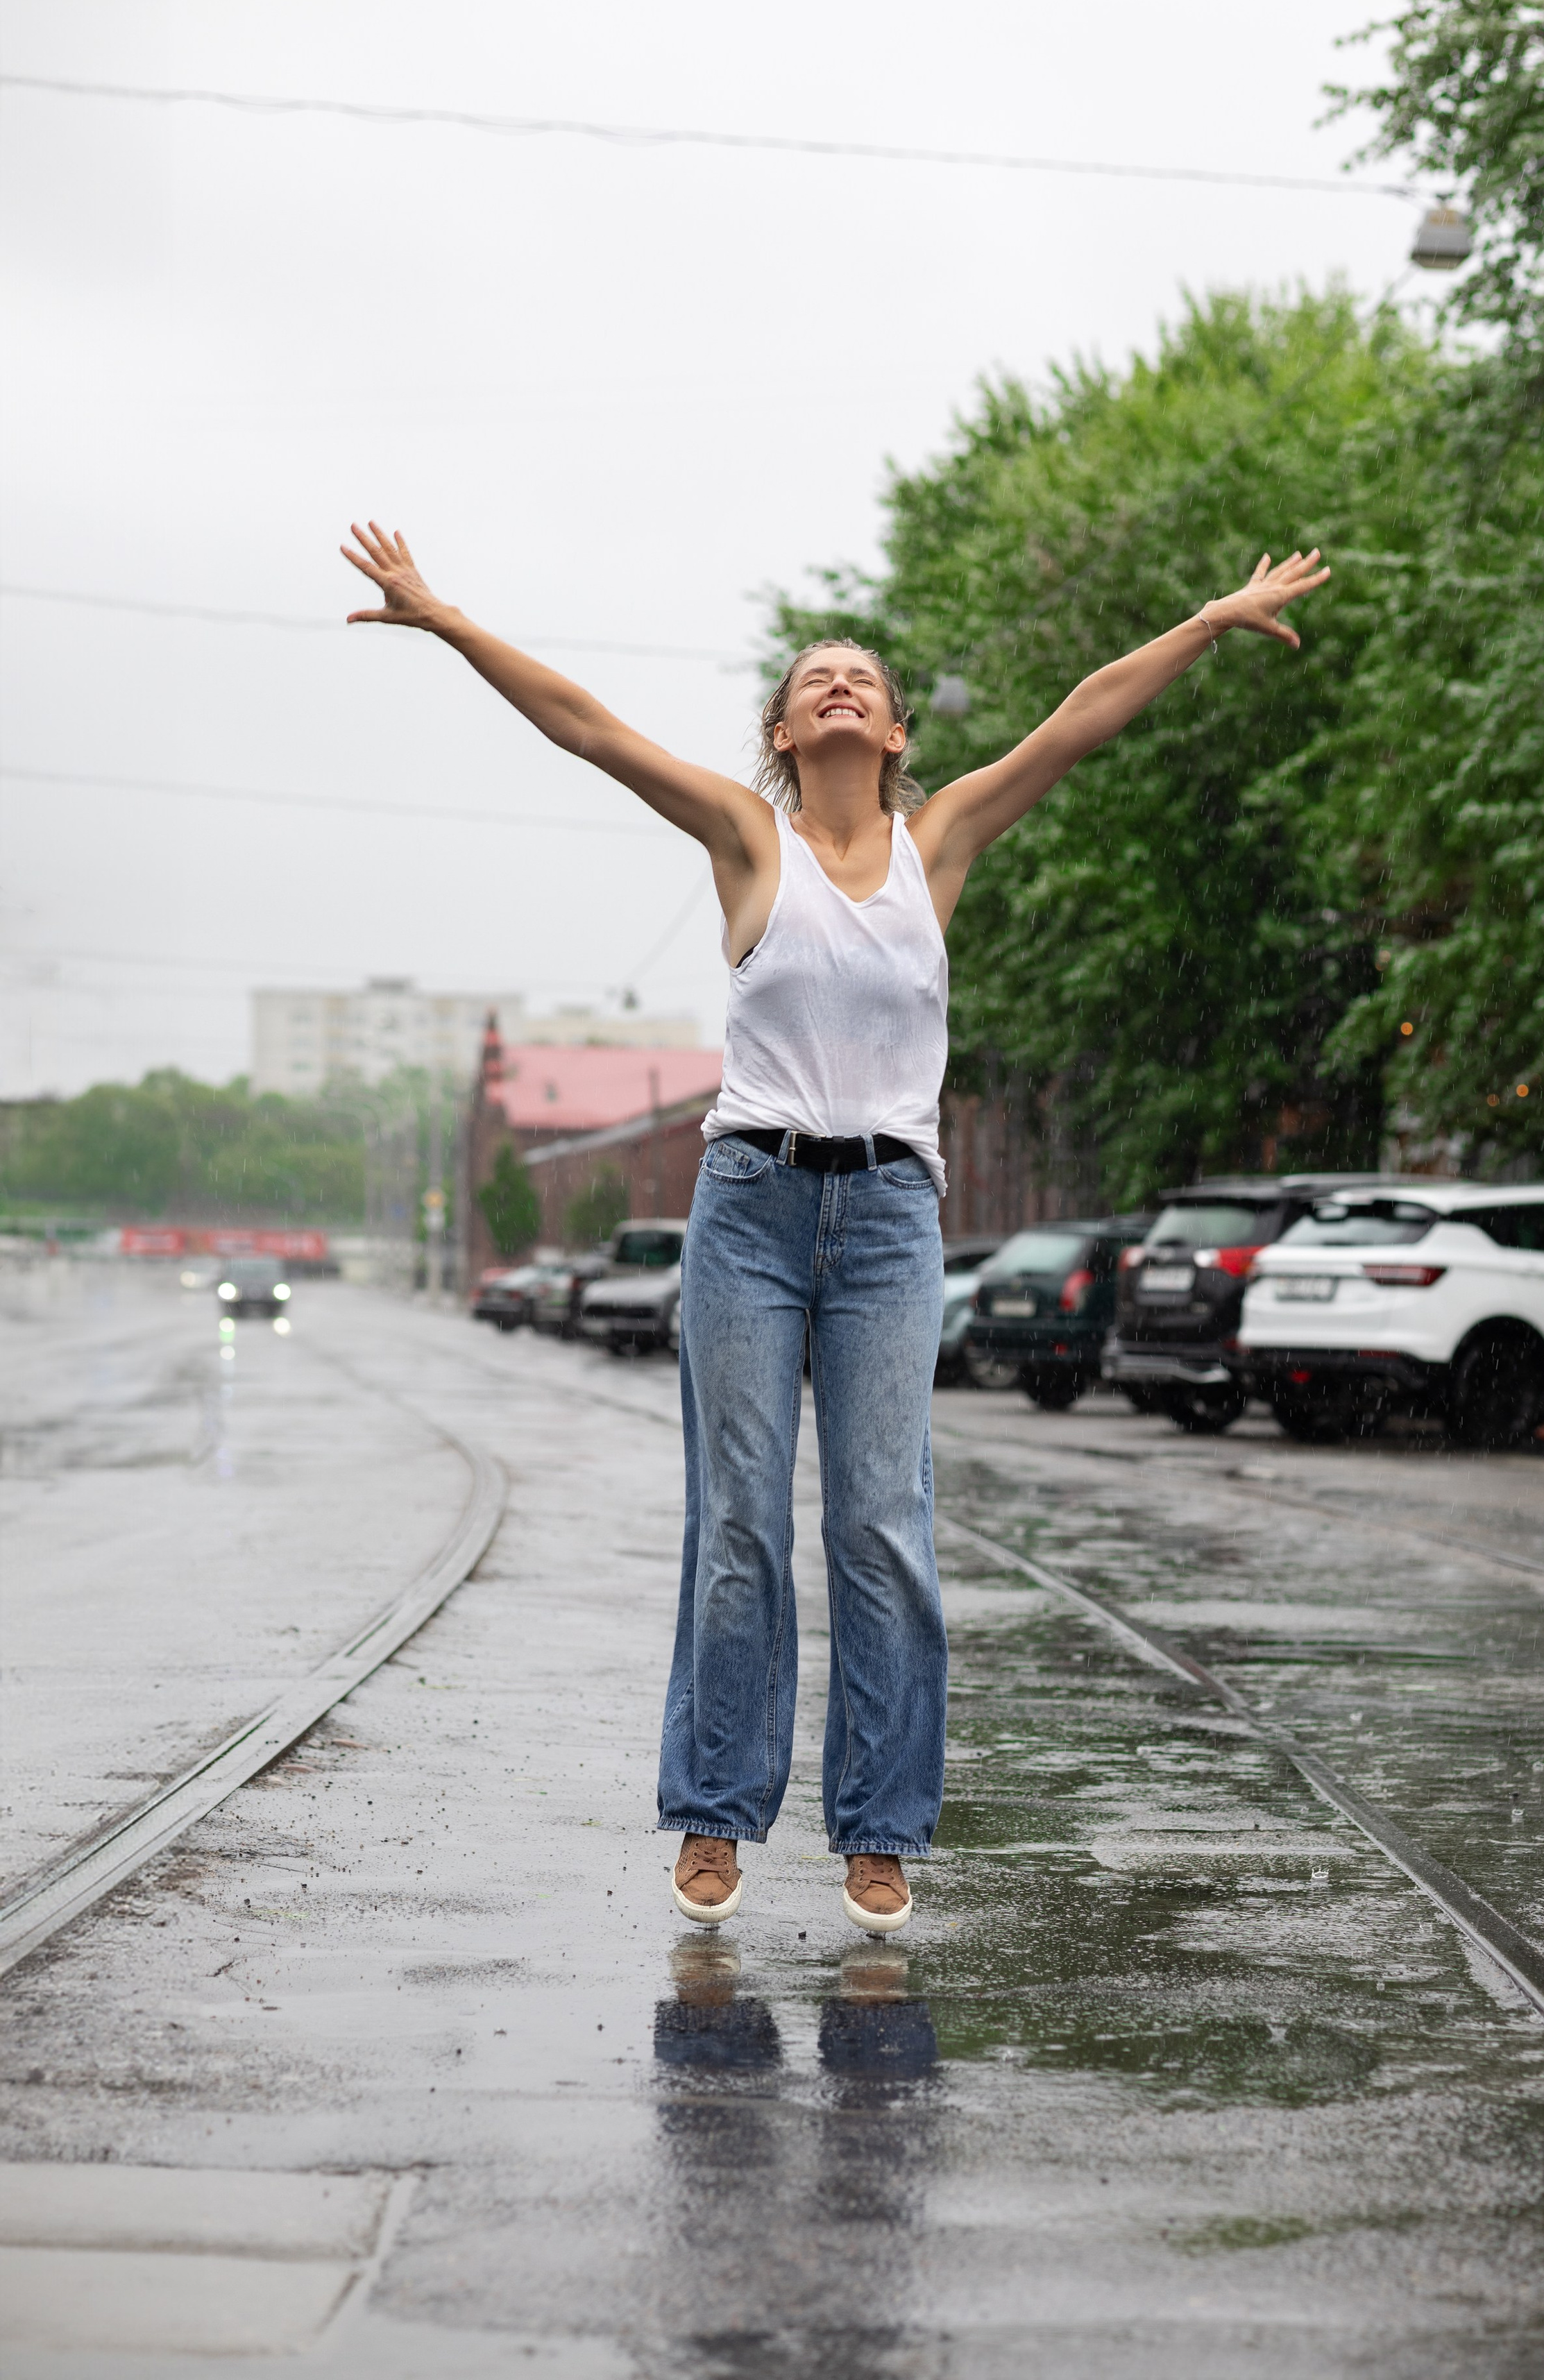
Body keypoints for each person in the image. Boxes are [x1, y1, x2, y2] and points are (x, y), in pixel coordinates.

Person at [341, 521, 1327, 1932]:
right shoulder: (749, 840)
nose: (841, 687)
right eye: (817, 678)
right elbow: (588, 728)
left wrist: (1211, 619)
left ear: (895, 725)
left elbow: (1080, 720)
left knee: (879, 1528)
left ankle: (878, 1827)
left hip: (884, 1223)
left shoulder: (941, 842)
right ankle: (714, 1811)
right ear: (785, 730)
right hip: (746, 1205)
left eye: (862, 675)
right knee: (738, 1520)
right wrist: (444, 619)